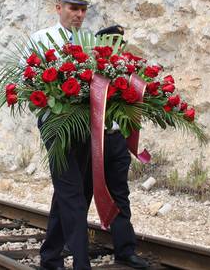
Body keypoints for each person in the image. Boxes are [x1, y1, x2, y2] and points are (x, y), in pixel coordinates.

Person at [30, 0, 93, 270]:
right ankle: (82, 263)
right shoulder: (41, 39)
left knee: (71, 190)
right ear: (58, 8)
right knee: (73, 194)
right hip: (56, 126)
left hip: (85, 126)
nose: (78, 14)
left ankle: (50, 255)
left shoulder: (90, 41)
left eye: (82, 9)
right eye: (73, 8)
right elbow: (28, 82)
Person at [82, 25, 149, 269]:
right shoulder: (87, 70)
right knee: (83, 193)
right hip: (91, 142)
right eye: (112, 42)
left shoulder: (127, 72)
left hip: (117, 141)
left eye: (119, 43)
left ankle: (125, 250)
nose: (116, 47)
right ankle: (74, 244)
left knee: (120, 194)